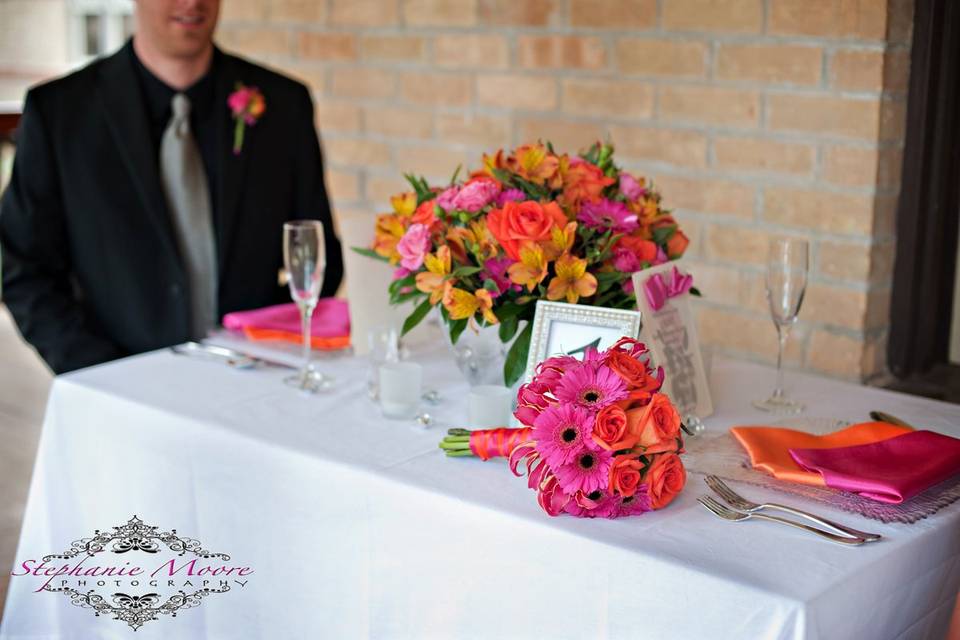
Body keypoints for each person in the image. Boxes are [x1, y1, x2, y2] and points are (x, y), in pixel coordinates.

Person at [0, 0, 343, 374]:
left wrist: (270, 343)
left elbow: (316, 255)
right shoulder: (60, 112)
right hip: (118, 387)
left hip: (258, 382)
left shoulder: (283, 104)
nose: (192, 2)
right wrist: (98, 372)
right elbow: (22, 268)